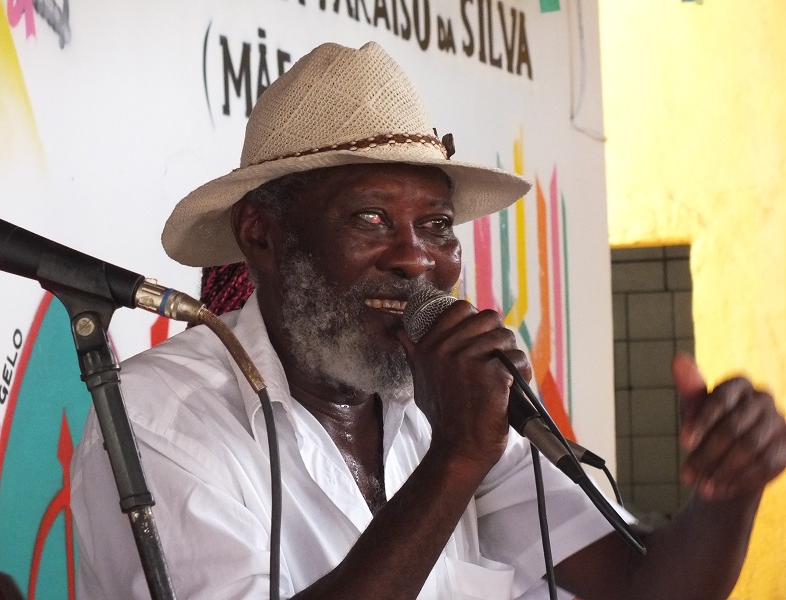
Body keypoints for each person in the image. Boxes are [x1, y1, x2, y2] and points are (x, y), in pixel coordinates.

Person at [71, 41, 786, 600]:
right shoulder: (159, 416)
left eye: (438, 225)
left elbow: (640, 586)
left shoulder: (443, 404)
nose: (417, 260)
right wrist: (454, 460)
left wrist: (730, 490)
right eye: (371, 218)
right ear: (263, 235)